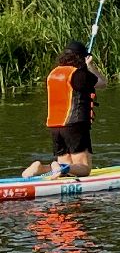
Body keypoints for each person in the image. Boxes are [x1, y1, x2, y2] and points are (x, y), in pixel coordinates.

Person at [22, 42, 107, 179]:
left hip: (55, 126)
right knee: (84, 169)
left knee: (68, 169)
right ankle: (59, 167)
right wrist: (90, 66)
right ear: (82, 58)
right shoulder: (79, 75)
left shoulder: (53, 73)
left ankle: (41, 168)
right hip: (75, 124)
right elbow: (103, 83)